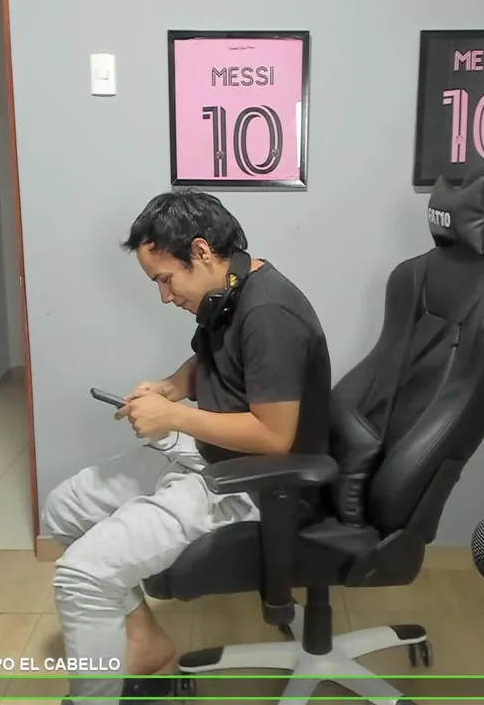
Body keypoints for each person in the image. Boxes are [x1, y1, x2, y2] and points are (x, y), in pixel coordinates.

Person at [41, 190, 331, 703]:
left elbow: (274, 437)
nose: (164, 296)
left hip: (253, 484)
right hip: (208, 455)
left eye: (165, 279)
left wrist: (173, 417)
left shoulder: (271, 313)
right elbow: (211, 360)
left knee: (81, 575)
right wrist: (171, 387)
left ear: (200, 251)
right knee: (64, 509)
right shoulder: (228, 293)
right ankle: (145, 645)